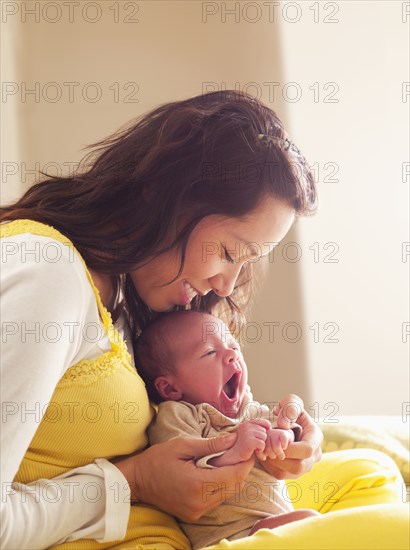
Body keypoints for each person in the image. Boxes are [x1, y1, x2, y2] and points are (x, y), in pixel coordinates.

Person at [0, 90, 407, 550]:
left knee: (369, 471)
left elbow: (201, 415)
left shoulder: (124, 288)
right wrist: (133, 482)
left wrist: (282, 435)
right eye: (230, 252)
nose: (227, 287)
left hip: (184, 522)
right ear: (167, 199)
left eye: (244, 262)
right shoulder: (46, 278)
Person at [136, 309, 320, 549]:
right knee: (312, 524)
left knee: (312, 527)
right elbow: (180, 472)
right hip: (232, 536)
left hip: (269, 525)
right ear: (170, 389)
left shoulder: (250, 409)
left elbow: (292, 436)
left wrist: (285, 435)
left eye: (233, 346)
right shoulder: (179, 415)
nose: (232, 356)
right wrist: (233, 453)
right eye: (209, 352)